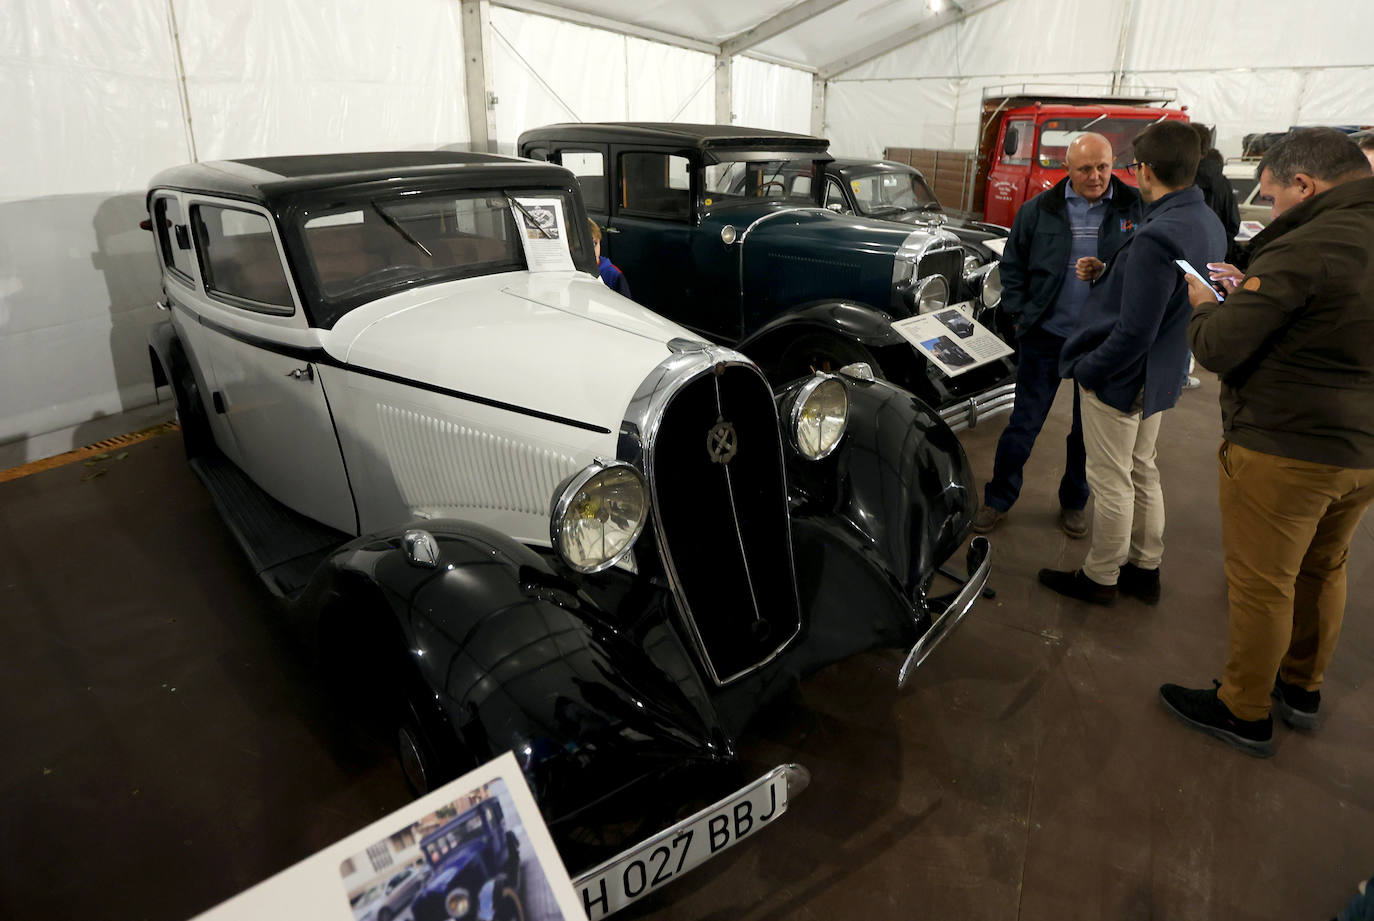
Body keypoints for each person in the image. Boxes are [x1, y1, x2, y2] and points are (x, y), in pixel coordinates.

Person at [1160, 127, 1374, 757]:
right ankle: (1302, 687)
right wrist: (1255, 286)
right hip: (1362, 448)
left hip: (1288, 446)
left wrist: (1206, 303)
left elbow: (1218, 347)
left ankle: (1243, 709)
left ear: (1304, 184)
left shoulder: (1307, 245)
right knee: (1326, 567)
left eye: (1274, 197)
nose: (1272, 210)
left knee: (1263, 583)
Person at [1039, 120, 1225, 606]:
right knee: (1143, 468)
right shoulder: (1204, 220)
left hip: (1124, 378)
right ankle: (1145, 567)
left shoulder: (1157, 234)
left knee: (1112, 480)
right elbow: (1170, 297)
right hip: (1162, 371)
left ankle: (1100, 576)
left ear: (1145, 170)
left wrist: (1089, 371)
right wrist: (1113, 271)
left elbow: (1135, 331)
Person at [972, 133, 1142, 538]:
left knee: (1087, 433)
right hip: (1045, 336)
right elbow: (1013, 265)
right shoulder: (1038, 210)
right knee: (1023, 424)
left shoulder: (1133, 207)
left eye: (1103, 167)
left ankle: (1074, 502)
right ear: (1066, 170)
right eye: (1085, 169)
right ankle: (998, 498)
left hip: (1101, 342)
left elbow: (1143, 263)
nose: (1096, 176)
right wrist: (1019, 315)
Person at [588, 218, 631, 297]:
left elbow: (626, 303)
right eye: (584, 247)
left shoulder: (612, 274)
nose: (592, 251)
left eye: (594, 244)